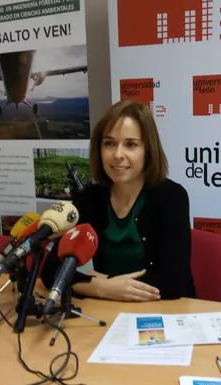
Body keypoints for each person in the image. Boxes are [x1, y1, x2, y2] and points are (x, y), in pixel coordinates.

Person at [41, 100, 196, 301]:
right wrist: (100, 287)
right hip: (108, 312)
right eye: (109, 143)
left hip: (164, 314)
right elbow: (51, 271)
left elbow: (173, 282)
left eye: (131, 144)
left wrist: (104, 281)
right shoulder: (90, 197)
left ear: (148, 150)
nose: (118, 155)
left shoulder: (171, 197)